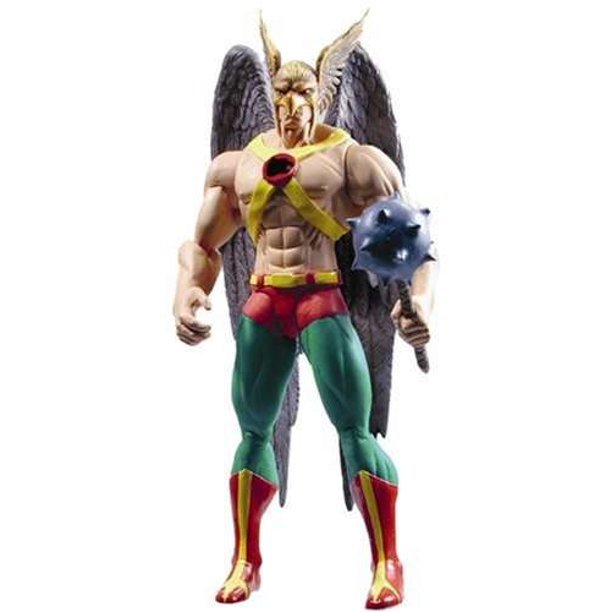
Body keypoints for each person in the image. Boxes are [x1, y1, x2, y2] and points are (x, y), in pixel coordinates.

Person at [173, 13, 436, 609]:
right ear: (271, 95)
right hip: (265, 299)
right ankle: (246, 560)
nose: (293, 106)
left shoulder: (352, 159)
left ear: (320, 95)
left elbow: (413, 241)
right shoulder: (239, 164)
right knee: (252, 430)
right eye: (284, 93)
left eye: (304, 93)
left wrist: (418, 303)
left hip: (320, 296)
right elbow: (204, 245)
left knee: (355, 430)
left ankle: (387, 561)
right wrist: (188, 289)